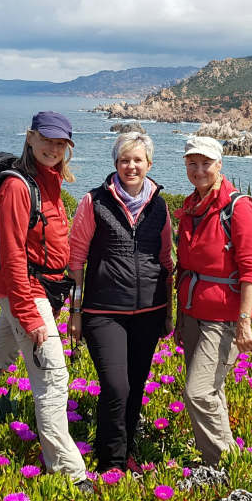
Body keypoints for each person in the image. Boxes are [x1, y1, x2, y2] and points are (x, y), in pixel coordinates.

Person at [0, 111, 89, 490]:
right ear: (30, 137)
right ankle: (70, 473)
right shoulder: (17, 187)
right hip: (27, 293)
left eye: (61, 143)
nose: (52, 148)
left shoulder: (51, 181)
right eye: (46, 140)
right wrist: (29, 314)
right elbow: (12, 254)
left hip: (39, 291)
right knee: (53, 379)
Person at [67, 131, 174, 474]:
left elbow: (167, 262)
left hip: (149, 312)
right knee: (116, 386)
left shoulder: (159, 205)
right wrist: (76, 311)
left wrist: (169, 312)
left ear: (149, 164)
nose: (131, 166)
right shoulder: (93, 202)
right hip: (103, 312)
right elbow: (76, 261)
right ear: (115, 163)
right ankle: (110, 464)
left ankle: (124, 450)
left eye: (138, 160)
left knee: (136, 387)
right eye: (125, 159)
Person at [173, 135, 252, 467]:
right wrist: (181, 318)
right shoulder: (191, 206)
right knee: (213, 391)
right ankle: (223, 463)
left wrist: (244, 323)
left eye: (206, 163)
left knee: (198, 393)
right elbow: (185, 266)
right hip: (194, 314)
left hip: (224, 319)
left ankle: (223, 465)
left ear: (219, 165)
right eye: (192, 164)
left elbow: (251, 268)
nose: (199, 170)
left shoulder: (238, 208)